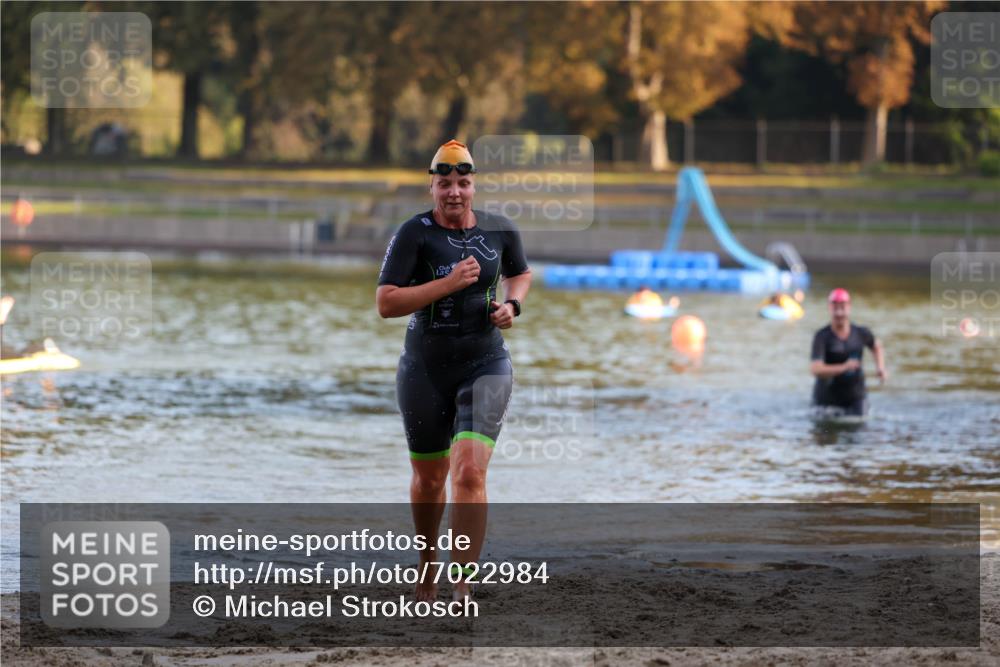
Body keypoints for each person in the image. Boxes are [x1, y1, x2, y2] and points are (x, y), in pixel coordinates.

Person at [375, 140, 532, 602]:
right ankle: (427, 569)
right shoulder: (413, 234)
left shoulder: (500, 230)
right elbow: (385, 303)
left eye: (463, 183)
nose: (455, 193)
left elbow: (520, 273)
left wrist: (512, 305)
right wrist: (446, 283)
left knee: (469, 473)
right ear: (432, 187)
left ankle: (461, 580)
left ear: (473, 186)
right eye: (445, 184)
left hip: (486, 362)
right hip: (424, 367)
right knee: (429, 478)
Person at [809, 288, 887, 416]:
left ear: (849, 307)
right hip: (827, 398)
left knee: (861, 426)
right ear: (830, 308)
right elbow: (815, 369)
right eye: (835, 308)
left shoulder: (861, 333)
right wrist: (845, 367)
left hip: (855, 396)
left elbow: (876, 346)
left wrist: (880, 368)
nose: (839, 313)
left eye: (842, 307)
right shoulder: (822, 337)